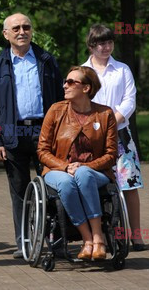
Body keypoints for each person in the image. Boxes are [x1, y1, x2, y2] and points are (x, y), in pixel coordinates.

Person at [0, 13, 64, 258]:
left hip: (45, 133)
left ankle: (55, 241)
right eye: (16, 28)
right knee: (19, 191)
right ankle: (25, 242)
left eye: (26, 27)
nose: (22, 31)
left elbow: (62, 101)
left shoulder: (47, 60)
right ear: (6, 34)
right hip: (13, 134)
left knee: (54, 189)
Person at [38, 66, 117, 260]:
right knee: (66, 182)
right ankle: (88, 239)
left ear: (86, 88)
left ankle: (99, 237)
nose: (65, 85)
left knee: (82, 174)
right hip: (58, 169)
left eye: (71, 82)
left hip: (95, 172)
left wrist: (85, 167)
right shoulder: (56, 110)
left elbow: (111, 154)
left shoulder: (105, 114)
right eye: (65, 81)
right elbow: (42, 151)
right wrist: (65, 166)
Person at [82, 24, 145, 251]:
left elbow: (130, 100)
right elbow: (77, 102)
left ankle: (136, 236)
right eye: (101, 43)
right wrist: (95, 125)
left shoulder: (122, 70)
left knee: (129, 185)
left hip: (120, 134)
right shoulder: (82, 72)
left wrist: (111, 121)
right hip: (90, 136)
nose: (106, 47)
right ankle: (102, 235)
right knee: (95, 185)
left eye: (109, 42)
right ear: (91, 46)